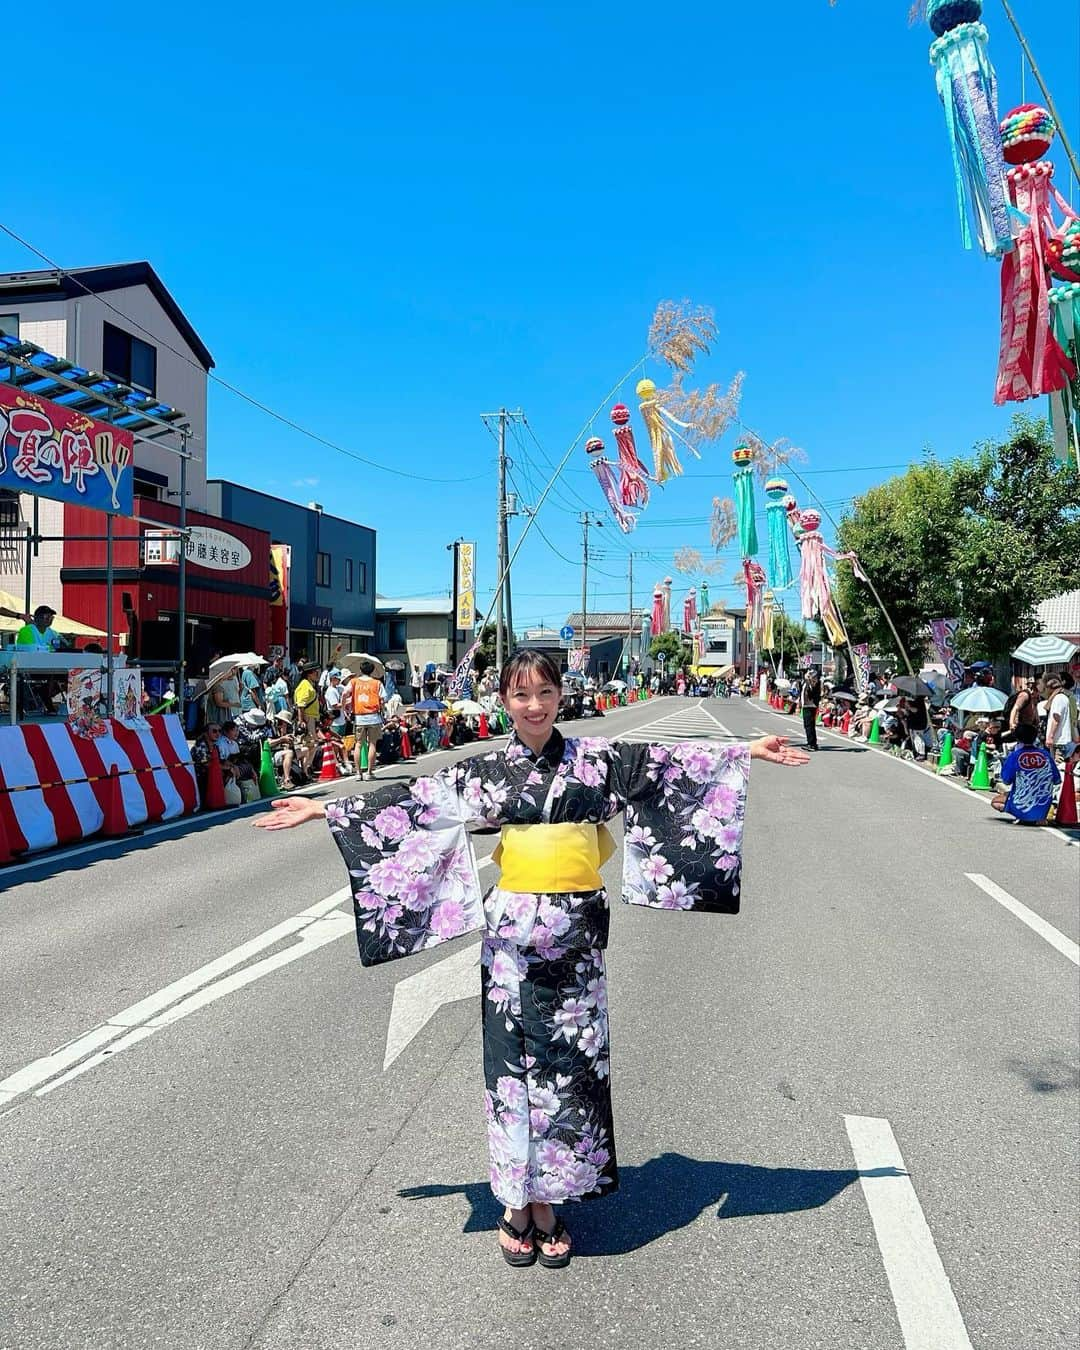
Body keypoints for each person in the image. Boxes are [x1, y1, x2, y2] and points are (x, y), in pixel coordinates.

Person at [255, 648, 807, 1268]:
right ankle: (517, 1202)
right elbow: (416, 800)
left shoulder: (597, 761)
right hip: (512, 940)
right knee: (513, 1070)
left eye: (545, 692)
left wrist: (747, 753)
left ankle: (551, 1202)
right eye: (521, 695)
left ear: (560, 694)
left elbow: (671, 765)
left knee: (571, 1069)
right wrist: (325, 807)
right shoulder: (488, 771)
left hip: (577, 943)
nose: (535, 705)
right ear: (505, 702)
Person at [991, 723, 1060, 824]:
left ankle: (1021, 815)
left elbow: (1006, 780)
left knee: (996, 802)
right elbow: (1057, 779)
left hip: (1022, 802)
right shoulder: (1046, 755)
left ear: (1018, 738)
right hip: (1044, 804)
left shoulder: (1015, 755)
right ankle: (1039, 817)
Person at [349, 659, 385, 780]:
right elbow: (383, 698)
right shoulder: (377, 683)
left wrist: (345, 706)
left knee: (358, 744)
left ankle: (358, 773)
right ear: (372, 671)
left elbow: (345, 693)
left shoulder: (354, 682)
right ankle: (369, 772)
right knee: (372, 743)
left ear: (360, 669)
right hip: (374, 716)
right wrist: (382, 709)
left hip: (359, 716)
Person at [1044, 674, 1078, 766]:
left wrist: (1050, 736)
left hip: (1059, 741)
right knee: (1065, 767)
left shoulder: (1058, 699)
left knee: (1059, 767)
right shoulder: (1065, 697)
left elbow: (1056, 718)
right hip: (1065, 740)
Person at [293, 664, 321, 772]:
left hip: (311, 717)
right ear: (309, 674)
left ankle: (307, 767)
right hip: (307, 718)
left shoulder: (309, 684)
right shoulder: (305, 685)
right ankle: (305, 769)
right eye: (315, 672)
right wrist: (301, 721)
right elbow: (301, 705)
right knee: (309, 744)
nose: (317, 674)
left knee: (311, 744)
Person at [799, 668, 821, 751]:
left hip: (810, 705)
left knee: (809, 725)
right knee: (808, 725)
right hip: (806, 705)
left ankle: (811, 744)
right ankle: (811, 743)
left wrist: (808, 680)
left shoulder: (815, 683)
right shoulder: (806, 682)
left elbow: (810, 691)